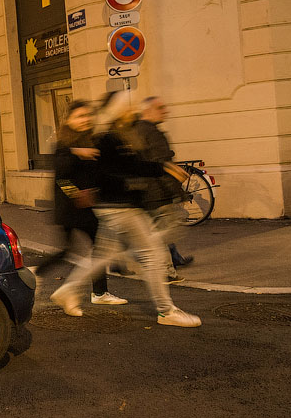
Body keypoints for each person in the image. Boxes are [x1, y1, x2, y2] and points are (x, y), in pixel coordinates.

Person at [50, 91, 201, 327]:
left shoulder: (115, 135)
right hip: (119, 206)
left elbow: (128, 165)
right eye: (127, 106)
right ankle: (166, 311)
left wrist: (162, 168)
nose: (133, 109)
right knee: (152, 255)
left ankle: (69, 289)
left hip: (114, 206)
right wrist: (159, 170)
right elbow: (119, 169)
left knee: (102, 257)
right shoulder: (109, 138)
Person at [34, 100, 127, 306]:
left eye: (87, 116)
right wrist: (76, 191)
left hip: (87, 208)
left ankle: (100, 292)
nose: (84, 120)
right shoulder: (63, 144)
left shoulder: (92, 140)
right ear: (69, 120)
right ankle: (38, 273)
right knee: (73, 250)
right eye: (79, 116)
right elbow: (61, 175)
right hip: (70, 208)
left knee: (95, 248)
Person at [131, 96, 193, 274]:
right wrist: (178, 192)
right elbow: (162, 166)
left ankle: (168, 263)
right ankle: (165, 271)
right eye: (160, 108)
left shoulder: (134, 130)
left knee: (158, 229)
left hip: (143, 192)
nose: (165, 111)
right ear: (147, 111)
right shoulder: (153, 133)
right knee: (168, 229)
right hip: (158, 193)